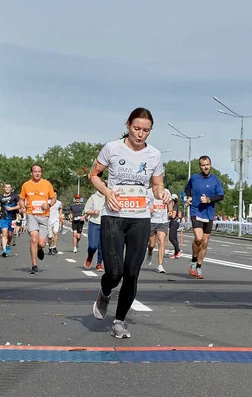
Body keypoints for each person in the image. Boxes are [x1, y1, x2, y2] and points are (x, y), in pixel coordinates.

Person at [90, 107, 168, 339]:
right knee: (115, 273)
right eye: (136, 128)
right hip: (113, 216)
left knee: (132, 273)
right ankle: (105, 292)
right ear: (127, 125)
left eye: (146, 130)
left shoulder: (154, 155)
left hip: (140, 218)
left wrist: (161, 192)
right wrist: (106, 192)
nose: (140, 134)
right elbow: (94, 175)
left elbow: (156, 185)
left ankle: (119, 321)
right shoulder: (112, 148)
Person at [184, 156, 224, 279]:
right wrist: (189, 197)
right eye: (203, 165)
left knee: (205, 243)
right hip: (196, 210)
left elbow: (221, 196)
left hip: (209, 213)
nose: (205, 167)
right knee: (198, 238)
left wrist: (209, 200)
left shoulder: (215, 180)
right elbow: (187, 189)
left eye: (207, 164)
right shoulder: (194, 178)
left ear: (210, 165)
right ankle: (193, 260)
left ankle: (199, 267)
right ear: (200, 166)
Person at [19, 164, 56, 275]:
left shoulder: (47, 184)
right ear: (31, 173)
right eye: (35, 171)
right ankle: (34, 265)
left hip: (44, 216)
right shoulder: (26, 185)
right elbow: (21, 199)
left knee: (41, 243)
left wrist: (48, 205)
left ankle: (40, 249)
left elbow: (53, 198)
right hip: (31, 215)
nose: (37, 173)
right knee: (34, 239)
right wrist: (22, 207)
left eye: (39, 171)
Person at [145, 186, 172, 273]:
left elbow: (170, 202)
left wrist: (170, 211)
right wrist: (148, 209)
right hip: (151, 221)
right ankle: (149, 253)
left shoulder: (166, 191)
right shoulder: (148, 192)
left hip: (163, 221)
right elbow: (143, 204)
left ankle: (160, 265)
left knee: (161, 241)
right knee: (152, 244)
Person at [0, 183, 20, 257]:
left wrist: (12, 208)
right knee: (4, 233)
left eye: (9, 187)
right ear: (4, 188)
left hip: (12, 218)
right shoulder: (0, 197)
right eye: (6, 187)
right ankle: (4, 250)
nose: (7, 189)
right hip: (3, 217)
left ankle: (8, 244)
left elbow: (20, 205)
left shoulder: (14, 196)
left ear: (11, 188)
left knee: (10, 234)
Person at [83, 190, 105, 271]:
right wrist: (93, 211)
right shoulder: (93, 197)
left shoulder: (109, 197)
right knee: (93, 246)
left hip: (105, 224)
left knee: (102, 246)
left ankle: (99, 264)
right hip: (94, 223)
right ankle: (90, 256)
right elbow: (86, 210)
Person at [47, 190, 63, 255]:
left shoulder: (59, 203)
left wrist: (60, 215)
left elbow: (61, 208)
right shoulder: (48, 202)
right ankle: (50, 247)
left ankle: (54, 247)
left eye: (55, 194)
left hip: (56, 220)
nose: (54, 196)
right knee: (50, 237)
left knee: (55, 233)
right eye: (53, 195)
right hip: (49, 220)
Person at [168, 193, 183, 259]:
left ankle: (178, 251)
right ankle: (176, 253)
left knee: (171, 237)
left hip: (174, 222)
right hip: (174, 222)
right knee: (175, 238)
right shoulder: (176, 206)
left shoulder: (174, 206)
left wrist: (168, 215)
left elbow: (173, 216)